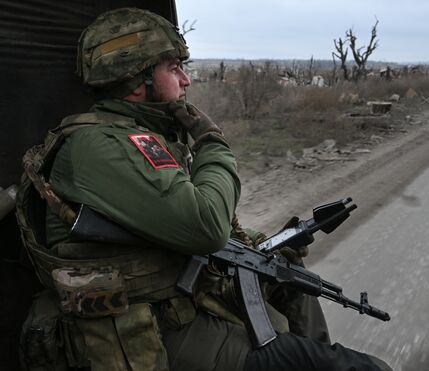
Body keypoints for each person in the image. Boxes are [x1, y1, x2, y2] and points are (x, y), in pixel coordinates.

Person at [16, 7, 392, 371]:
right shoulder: (100, 145)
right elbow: (206, 224)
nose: (186, 80)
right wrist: (213, 143)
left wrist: (266, 242)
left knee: (288, 275)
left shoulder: (143, 135)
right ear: (136, 81)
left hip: (175, 303)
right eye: (174, 68)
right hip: (144, 330)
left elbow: (171, 225)